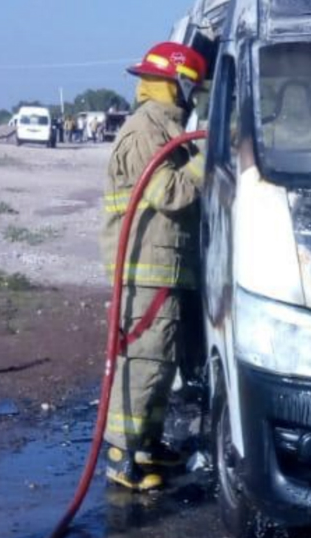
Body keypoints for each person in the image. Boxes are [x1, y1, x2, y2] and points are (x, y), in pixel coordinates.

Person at [100, 41, 208, 492]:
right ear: (178, 84)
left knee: (161, 362)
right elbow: (170, 194)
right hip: (147, 265)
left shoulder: (162, 127)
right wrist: (210, 157)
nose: (193, 99)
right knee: (145, 359)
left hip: (163, 264)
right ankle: (123, 453)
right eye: (193, 89)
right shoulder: (148, 128)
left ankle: (145, 444)